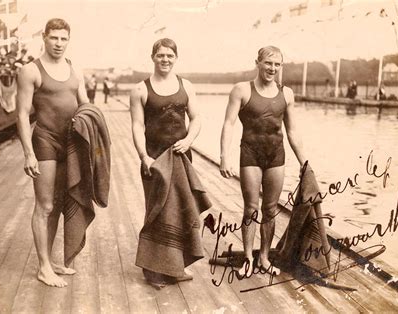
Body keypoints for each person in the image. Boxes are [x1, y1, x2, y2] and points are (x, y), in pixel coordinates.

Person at [130, 38, 210, 288]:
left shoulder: (186, 85)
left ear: (176, 58)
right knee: (156, 211)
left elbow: (196, 119)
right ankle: (152, 270)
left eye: (169, 56)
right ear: (152, 56)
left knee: (181, 211)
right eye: (160, 55)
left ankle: (175, 267)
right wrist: (144, 156)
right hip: (154, 158)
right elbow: (136, 125)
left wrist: (189, 141)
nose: (165, 59)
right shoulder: (140, 90)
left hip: (182, 157)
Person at [220, 46, 306, 276]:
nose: (272, 68)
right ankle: (248, 258)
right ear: (257, 62)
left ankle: (265, 258)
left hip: (276, 155)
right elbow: (228, 124)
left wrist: (304, 162)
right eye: (268, 63)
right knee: (251, 208)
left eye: (277, 64)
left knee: (270, 209)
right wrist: (224, 157)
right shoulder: (241, 90)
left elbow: (293, 131)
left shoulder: (286, 94)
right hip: (250, 154)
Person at [16, 18, 90, 288]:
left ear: (68, 40)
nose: (59, 43)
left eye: (63, 39)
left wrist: (94, 135)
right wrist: (28, 153)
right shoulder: (30, 71)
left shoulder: (74, 69)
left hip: (69, 143)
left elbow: (85, 105)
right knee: (44, 205)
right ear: (44, 38)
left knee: (59, 205)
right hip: (45, 141)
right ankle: (43, 267)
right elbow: (23, 115)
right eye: (54, 38)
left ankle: (49, 260)